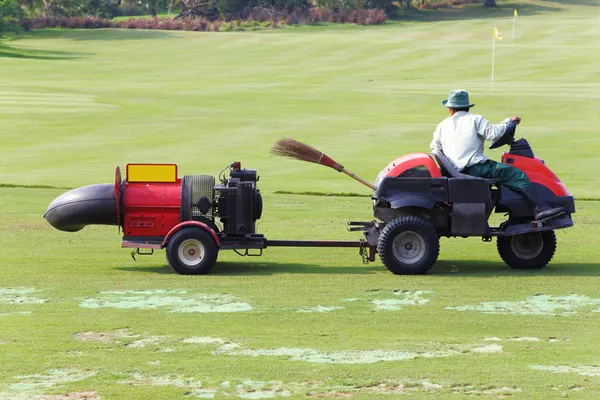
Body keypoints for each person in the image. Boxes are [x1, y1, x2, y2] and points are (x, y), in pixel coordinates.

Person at [430, 89, 564, 221]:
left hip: (455, 170)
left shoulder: (442, 125)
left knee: (502, 172)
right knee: (517, 175)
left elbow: (435, 147)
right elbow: (493, 134)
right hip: (475, 168)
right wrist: (508, 121)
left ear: (451, 109)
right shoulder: (475, 119)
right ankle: (541, 209)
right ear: (467, 107)